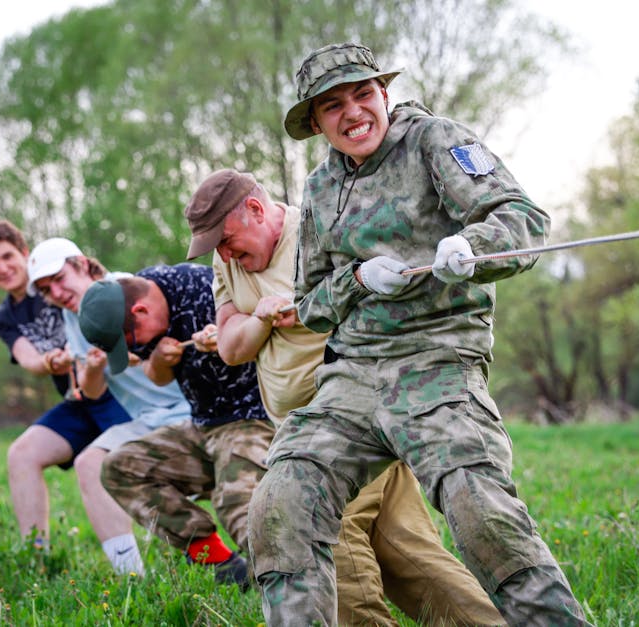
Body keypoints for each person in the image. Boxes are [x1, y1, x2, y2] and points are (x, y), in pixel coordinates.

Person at [247, 43, 590, 625]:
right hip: (351, 376)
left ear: (384, 92)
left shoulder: (434, 141)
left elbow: (524, 221)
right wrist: (358, 279)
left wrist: (472, 248)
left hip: (437, 363)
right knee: (279, 502)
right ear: (316, 123)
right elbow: (310, 304)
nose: (353, 112)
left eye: (363, 93)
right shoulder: (322, 188)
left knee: (479, 509)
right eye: (333, 105)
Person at [184, 168, 504, 625]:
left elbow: (379, 303)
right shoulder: (228, 261)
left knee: (324, 532)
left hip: (347, 421)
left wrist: (319, 306)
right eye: (215, 245)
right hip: (298, 430)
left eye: (226, 238)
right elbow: (232, 348)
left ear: (255, 210)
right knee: (409, 558)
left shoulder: (321, 232)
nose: (224, 252)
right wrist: (263, 315)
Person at [0, 220, 188, 575]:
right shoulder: (11, 314)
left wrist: (135, 351)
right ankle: (38, 560)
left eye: (7, 257)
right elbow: (33, 361)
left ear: (25, 254)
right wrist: (54, 361)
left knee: (124, 469)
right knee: (24, 454)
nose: (2, 268)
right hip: (86, 396)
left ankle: (190, 553)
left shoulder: (104, 289)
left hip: (138, 402)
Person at [58, 261, 272, 590]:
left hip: (251, 418)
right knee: (120, 466)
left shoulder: (205, 288)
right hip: (202, 425)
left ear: (141, 312)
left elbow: (272, 326)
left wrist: (228, 337)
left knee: (238, 507)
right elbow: (156, 376)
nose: (130, 349)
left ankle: (291, 588)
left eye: (129, 342)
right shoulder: (130, 308)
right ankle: (222, 565)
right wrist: (159, 360)